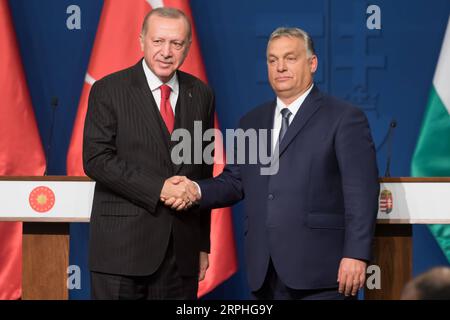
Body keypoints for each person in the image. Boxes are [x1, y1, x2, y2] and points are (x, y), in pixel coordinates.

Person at [164, 27, 379, 299]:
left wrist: (356, 254)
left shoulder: (344, 118)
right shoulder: (251, 122)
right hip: (265, 274)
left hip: (323, 274)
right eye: (272, 60)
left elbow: (362, 192)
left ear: (312, 63)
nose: (280, 67)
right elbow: (235, 181)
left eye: (290, 58)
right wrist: (195, 190)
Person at [83, 7, 214, 300]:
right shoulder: (108, 90)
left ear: (188, 47)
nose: (166, 51)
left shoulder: (202, 94)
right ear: (141, 41)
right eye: (158, 41)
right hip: (120, 252)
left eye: (176, 44)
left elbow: (203, 173)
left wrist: (202, 244)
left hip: (181, 254)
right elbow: (96, 159)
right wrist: (159, 188)